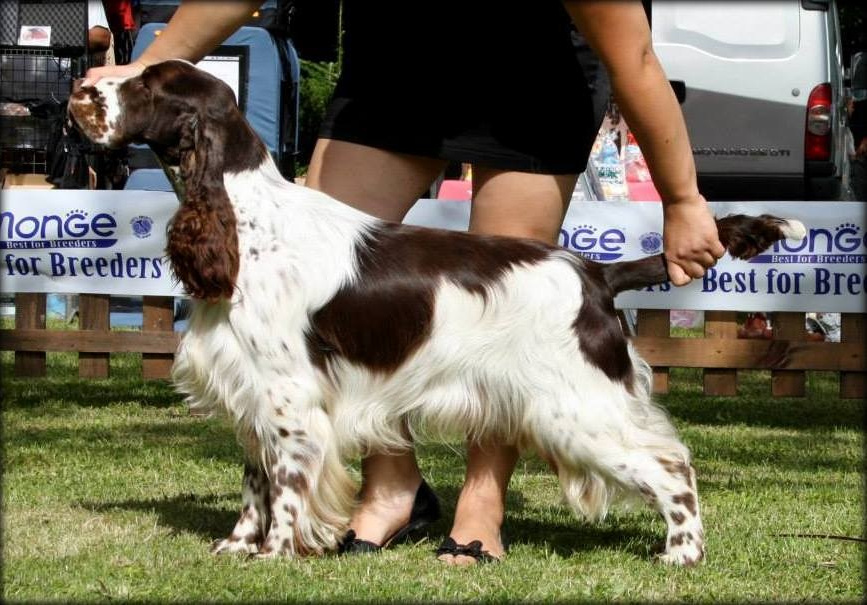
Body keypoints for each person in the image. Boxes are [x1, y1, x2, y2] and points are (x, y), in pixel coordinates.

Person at [83, 0, 726, 565]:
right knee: (330, 313)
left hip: (529, 78)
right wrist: (144, 70)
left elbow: (635, 55)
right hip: (393, 68)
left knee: (516, 316)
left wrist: (682, 198)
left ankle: (481, 508)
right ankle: (392, 490)